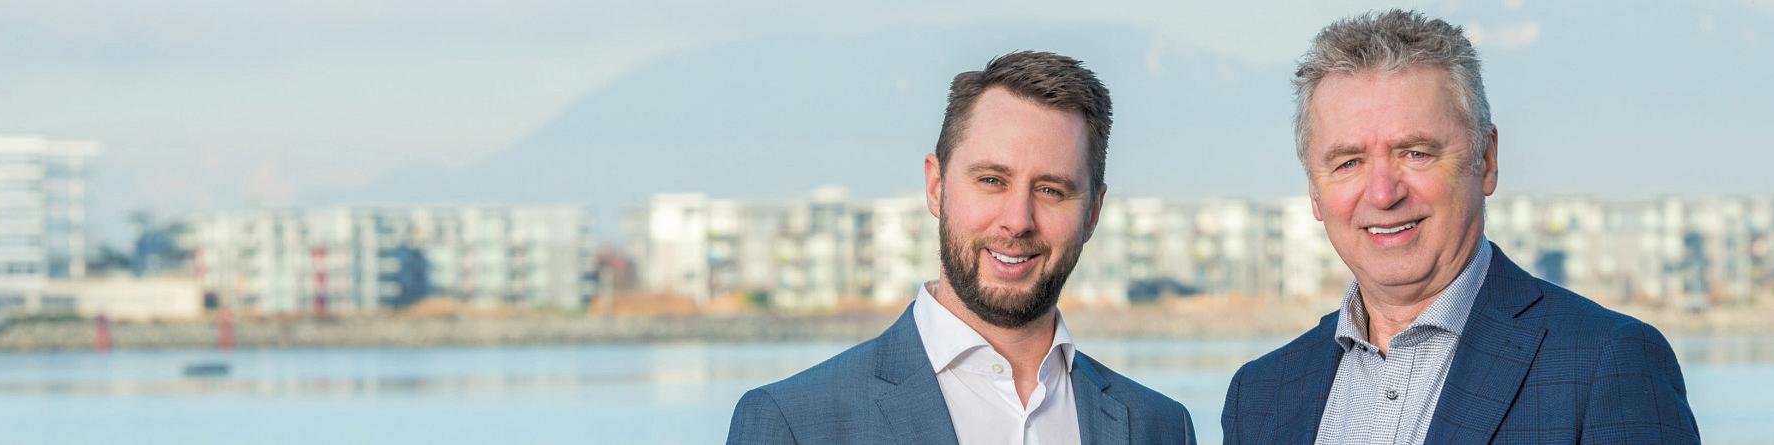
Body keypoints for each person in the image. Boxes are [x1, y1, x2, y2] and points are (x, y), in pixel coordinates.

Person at [1220, 9, 1699, 444]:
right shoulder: (1259, 397)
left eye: (1416, 153)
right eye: (1349, 162)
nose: (1383, 194)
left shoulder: (1606, 362)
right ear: (1314, 190)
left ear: (1486, 160)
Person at [727, 50, 1196, 445]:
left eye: (1050, 190)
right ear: (936, 187)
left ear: (1093, 212)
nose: (1018, 220)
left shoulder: (1160, 427)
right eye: (991, 180)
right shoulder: (793, 423)